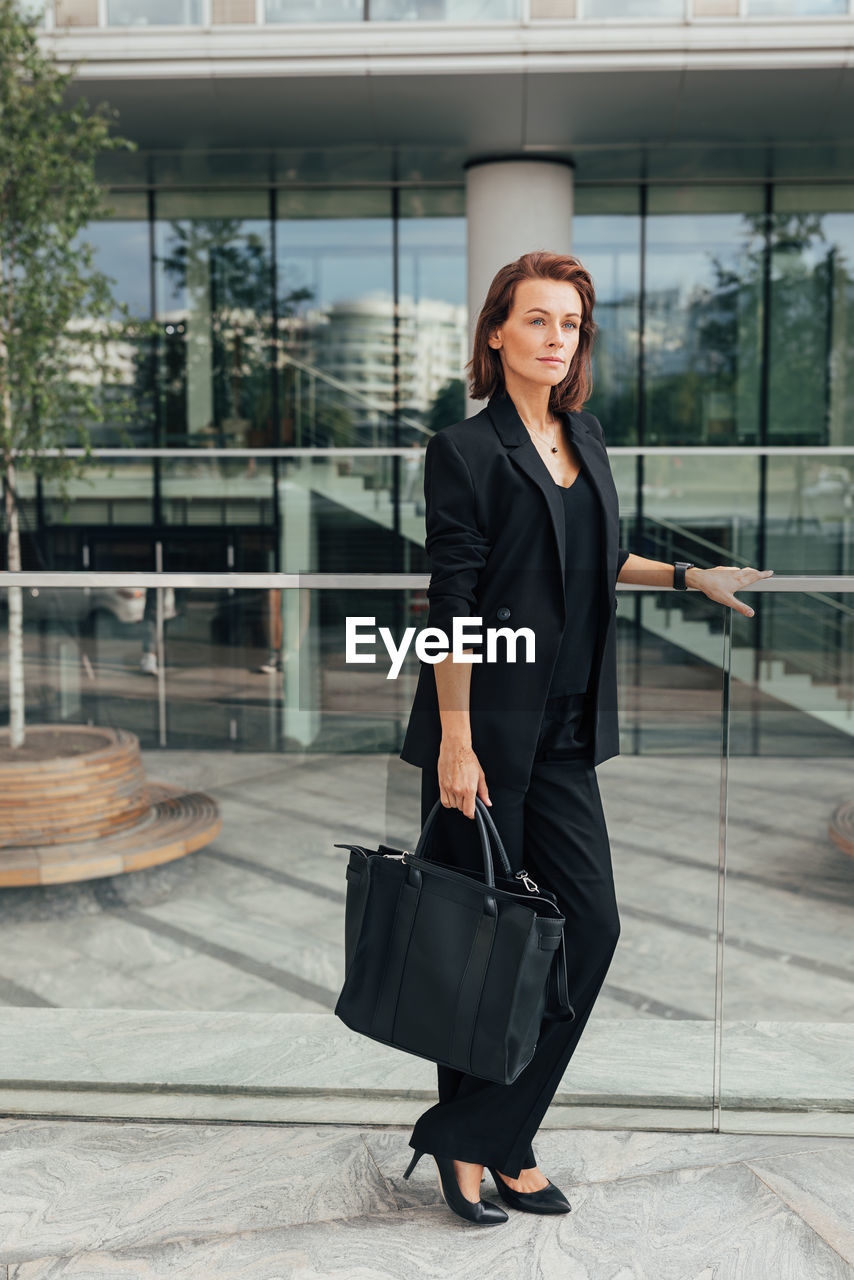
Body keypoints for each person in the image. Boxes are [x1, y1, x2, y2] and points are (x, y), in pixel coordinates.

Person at [398, 250, 774, 1226]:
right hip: (481, 735)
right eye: (537, 320)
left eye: (569, 323)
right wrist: (452, 738)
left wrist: (690, 579)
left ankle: (474, 1130)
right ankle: (495, 1146)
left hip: (564, 736)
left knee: (588, 928)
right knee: (479, 944)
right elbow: (453, 603)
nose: (556, 336)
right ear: (496, 333)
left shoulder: (586, 436)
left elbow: (601, 556)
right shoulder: (464, 451)